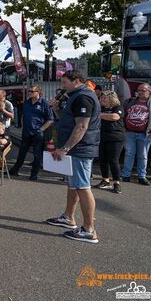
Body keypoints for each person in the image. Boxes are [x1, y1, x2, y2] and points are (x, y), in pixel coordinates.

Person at [45, 71, 101, 244]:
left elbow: (82, 126)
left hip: (80, 150)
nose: (63, 86)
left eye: (64, 82)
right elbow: (69, 121)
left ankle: (88, 230)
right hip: (75, 150)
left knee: (83, 186)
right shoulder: (75, 96)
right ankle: (68, 217)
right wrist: (55, 109)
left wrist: (65, 148)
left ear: (76, 81)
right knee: (73, 185)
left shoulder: (83, 97)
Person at [120, 83, 151, 185]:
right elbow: (121, 115)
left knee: (143, 156)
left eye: (143, 90)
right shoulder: (129, 101)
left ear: (149, 92)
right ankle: (125, 175)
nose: (140, 92)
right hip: (129, 133)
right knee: (129, 154)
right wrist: (123, 128)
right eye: (138, 90)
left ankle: (141, 176)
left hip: (145, 135)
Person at [9, 84, 54, 180]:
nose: (29, 93)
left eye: (32, 91)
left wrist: (41, 129)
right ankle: (15, 170)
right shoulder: (27, 102)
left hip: (37, 133)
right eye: (29, 91)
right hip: (26, 132)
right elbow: (23, 115)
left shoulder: (44, 103)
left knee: (37, 154)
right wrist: (21, 126)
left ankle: (34, 174)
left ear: (38, 93)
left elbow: (50, 119)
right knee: (21, 152)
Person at [94, 91, 125, 194]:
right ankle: (105, 180)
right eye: (101, 98)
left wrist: (98, 115)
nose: (102, 100)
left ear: (111, 99)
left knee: (113, 160)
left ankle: (116, 183)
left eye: (104, 98)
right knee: (102, 160)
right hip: (102, 137)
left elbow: (114, 117)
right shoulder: (100, 108)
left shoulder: (118, 107)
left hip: (115, 138)